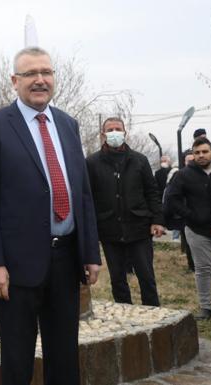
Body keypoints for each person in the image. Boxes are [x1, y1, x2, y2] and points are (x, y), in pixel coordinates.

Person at [0, 46, 100, 385]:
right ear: (15, 81)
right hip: (16, 267)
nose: (40, 80)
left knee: (64, 356)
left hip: (66, 259)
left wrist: (90, 253)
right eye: (31, 74)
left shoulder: (68, 124)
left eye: (46, 72)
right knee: (17, 359)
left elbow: (82, 194)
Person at [86, 117, 165, 306]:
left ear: (125, 132)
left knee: (146, 276)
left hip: (139, 228)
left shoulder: (139, 160)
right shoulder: (92, 162)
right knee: (118, 279)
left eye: (118, 129)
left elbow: (152, 192)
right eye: (110, 129)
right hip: (109, 229)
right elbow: (88, 197)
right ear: (103, 134)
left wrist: (157, 219)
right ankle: (125, 313)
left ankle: (153, 314)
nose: (114, 132)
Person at [166, 137, 211, 320]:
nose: (201, 155)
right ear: (192, 155)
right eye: (197, 152)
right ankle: (205, 308)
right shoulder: (183, 175)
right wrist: (190, 215)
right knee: (203, 269)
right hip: (197, 230)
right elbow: (172, 198)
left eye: (204, 151)